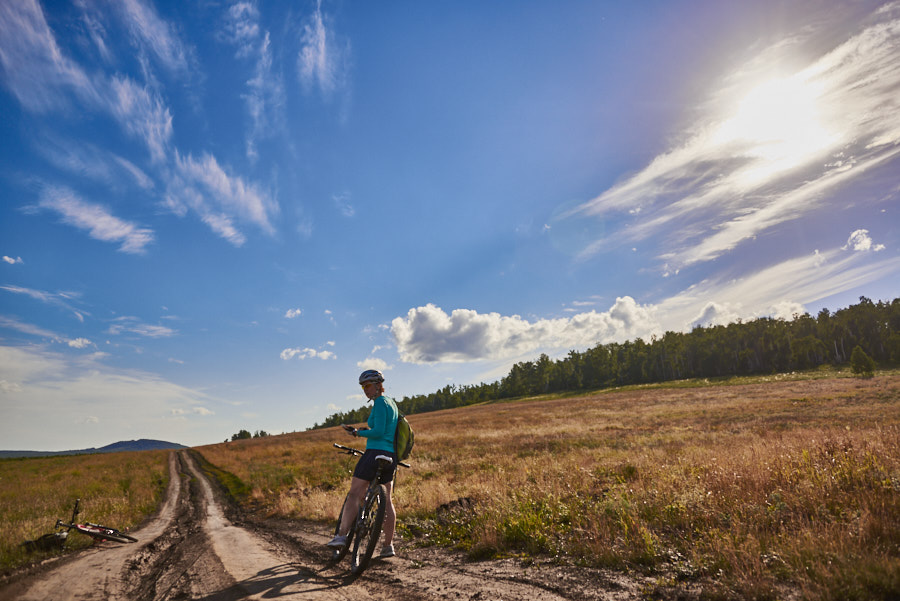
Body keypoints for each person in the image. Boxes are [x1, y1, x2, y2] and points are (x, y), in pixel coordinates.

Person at [327, 369, 399, 558]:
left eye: (368, 385)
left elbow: (379, 432)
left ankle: (341, 536)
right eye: (363, 387)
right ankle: (388, 546)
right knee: (388, 500)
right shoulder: (391, 403)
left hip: (374, 452)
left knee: (354, 493)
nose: (365, 390)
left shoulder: (381, 403)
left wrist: (358, 433)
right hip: (390, 455)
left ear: (378, 385)